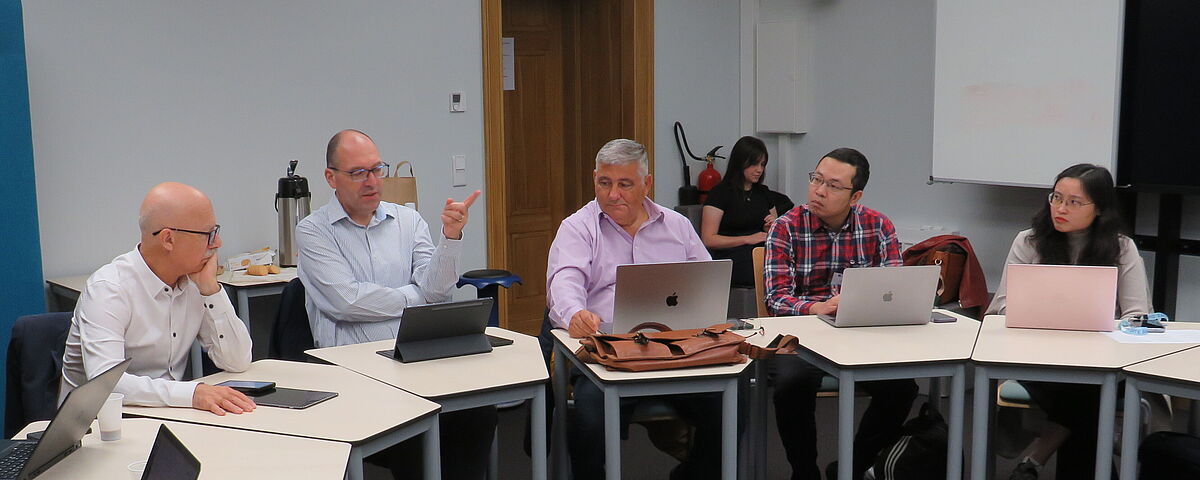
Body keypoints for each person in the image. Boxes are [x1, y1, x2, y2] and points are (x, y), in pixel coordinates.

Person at [296, 129, 490, 480]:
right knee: (416, 429)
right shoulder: (313, 231)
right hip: (355, 371)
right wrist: (414, 296)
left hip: (416, 360)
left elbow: (437, 292)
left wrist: (450, 238)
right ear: (331, 177)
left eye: (377, 169)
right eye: (358, 173)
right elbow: (347, 301)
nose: (372, 181)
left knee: (477, 412)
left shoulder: (408, 220)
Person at [546, 138, 723, 480]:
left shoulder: (677, 226)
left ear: (647, 183)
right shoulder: (578, 227)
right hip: (608, 356)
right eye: (604, 183)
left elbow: (706, 283)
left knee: (731, 406)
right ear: (594, 178)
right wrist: (575, 314)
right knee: (588, 420)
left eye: (625, 184)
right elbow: (564, 281)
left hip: (675, 352)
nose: (613, 194)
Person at [987, 164, 1150, 480]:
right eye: (1056, 198)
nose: (1060, 209)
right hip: (1038, 358)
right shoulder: (1029, 241)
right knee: (1090, 396)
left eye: (1074, 202)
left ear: (1099, 208)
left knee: (1088, 386)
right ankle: (1037, 460)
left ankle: (1035, 459)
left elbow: (1136, 314)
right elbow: (1002, 307)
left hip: (1100, 360)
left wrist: (1110, 328)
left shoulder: (1121, 248)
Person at [764, 148, 915, 480]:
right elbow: (776, 299)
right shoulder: (786, 227)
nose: (819, 191)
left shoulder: (878, 225)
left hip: (861, 333)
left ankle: (853, 466)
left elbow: (894, 289)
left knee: (902, 387)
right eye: (816, 179)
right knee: (790, 385)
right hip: (801, 335)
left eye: (833, 185)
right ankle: (804, 472)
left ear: (855, 196)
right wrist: (817, 307)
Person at [60, 182, 255, 416]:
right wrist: (192, 394)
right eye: (208, 234)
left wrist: (210, 289)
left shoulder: (194, 280)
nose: (217, 243)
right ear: (168, 239)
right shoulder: (109, 289)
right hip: (99, 424)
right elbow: (107, 384)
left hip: (167, 413)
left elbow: (238, 361)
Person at [701, 135, 793, 287]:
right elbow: (708, 239)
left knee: (792, 260)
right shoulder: (720, 193)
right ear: (740, 163)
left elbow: (777, 233)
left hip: (762, 251)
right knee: (762, 268)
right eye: (754, 164)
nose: (759, 170)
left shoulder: (764, 193)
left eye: (762, 165)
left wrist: (770, 228)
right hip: (733, 255)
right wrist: (748, 239)